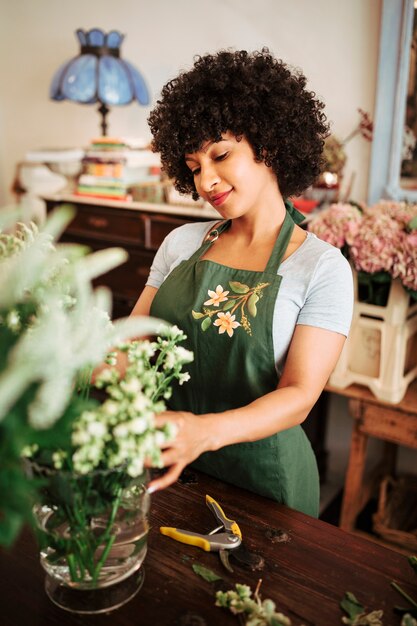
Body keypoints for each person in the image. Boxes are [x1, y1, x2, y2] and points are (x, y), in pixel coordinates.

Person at [131, 48, 353, 517]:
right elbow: (133, 342)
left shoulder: (321, 267)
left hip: (264, 488)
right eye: (193, 167)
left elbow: (297, 398)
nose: (206, 181)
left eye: (221, 155)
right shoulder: (181, 244)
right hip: (166, 466)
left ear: (268, 144)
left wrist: (203, 431)